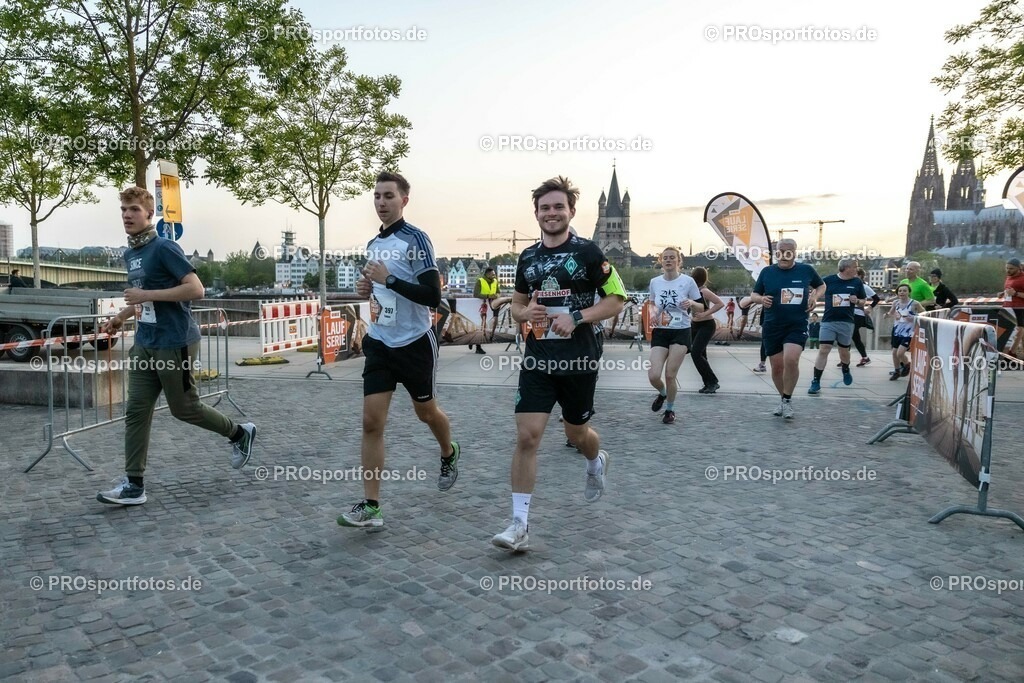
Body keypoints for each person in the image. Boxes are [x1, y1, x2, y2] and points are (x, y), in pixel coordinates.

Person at [96, 187, 256, 506]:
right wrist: (121, 317)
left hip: (174, 341)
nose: (127, 215)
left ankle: (239, 433)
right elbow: (144, 296)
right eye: (123, 210)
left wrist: (145, 296)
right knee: (136, 411)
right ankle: (134, 485)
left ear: (149, 214)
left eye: (133, 209)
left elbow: (196, 289)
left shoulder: (164, 247)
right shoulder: (130, 254)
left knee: (184, 409)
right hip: (145, 342)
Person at [491, 176, 626, 552]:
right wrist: (525, 313)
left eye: (558, 207)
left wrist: (578, 317)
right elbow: (517, 305)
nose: (551, 213)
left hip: (579, 358)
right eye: (545, 208)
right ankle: (519, 525)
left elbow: (617, 299)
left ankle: (595, 460)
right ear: (536, 213)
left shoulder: (588, 252)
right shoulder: (528, 257)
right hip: (538, 358)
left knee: (577, 433)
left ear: (571, 211)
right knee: (527, 437)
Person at [338, 171, 459, 531]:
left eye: (388, 196)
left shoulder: (416, 240)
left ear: (404, 200)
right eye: (377, 196)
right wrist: (366, 289)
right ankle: (372, 506)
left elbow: (432, 297)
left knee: (426, 413)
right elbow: (378, 290)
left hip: (415, 343)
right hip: (380, 343)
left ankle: (449, 451)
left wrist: (388, 279)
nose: (381, 202)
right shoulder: (373, 244)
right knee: (371, 422)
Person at [750, 239, 825, 419]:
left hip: (796, 324)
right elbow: (754, 294)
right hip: (773, 325)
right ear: (776, 252)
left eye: (788, 251)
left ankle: (787, 399)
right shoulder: (767, 272)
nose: (784, 254)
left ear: (794, 253)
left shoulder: (806, 270)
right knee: (777, 367)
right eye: (780, 251)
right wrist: (761, 299)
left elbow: (821, 285)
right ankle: (784, 399)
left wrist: (814, 297)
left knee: (791, 359)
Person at [646, 247, 703, 423]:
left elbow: (701, 306)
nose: (668, 260)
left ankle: (669, 410)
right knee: (653, 375)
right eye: (665, 258)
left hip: (681, 331)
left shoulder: (688, 281)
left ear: (679, 261)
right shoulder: (655, 282)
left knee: (670, 375)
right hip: (661, 331)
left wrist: (691, 302)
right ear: (661, 261)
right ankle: (663, 393)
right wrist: (653, 314)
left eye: (672, 257)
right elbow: (652, 303)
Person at [808, 259, 865, 395]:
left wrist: (857, 301)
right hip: (828, 321)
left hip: (846, 322)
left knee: (844, 351)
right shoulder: (828, 280)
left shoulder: (857, 282)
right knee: (824, 349)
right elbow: (816, 290)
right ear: (846, 268)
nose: (857, 269)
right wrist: (813, 299)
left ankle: (846, 368)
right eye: (855, 267)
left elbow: (863, 301)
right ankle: (816, 381)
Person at [690, 266, 723, 394]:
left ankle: (713, 381)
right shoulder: (692, 290)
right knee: (701, 355)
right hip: (695, 325)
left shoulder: (704, 291)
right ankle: (708, 383)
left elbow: (720, 303)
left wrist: (705, 313)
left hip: (706, 325)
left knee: (696, 353)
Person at [888, 283, 924, 380]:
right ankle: (897, 371)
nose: (902, 292)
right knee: (894, 352)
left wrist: (914, 317)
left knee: (900, 353)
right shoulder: (895, 303)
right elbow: (891, 313)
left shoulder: (915, 303)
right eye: (900, 291)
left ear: (909, 292)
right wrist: (887, 315)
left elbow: (924, 314)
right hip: (897, 330)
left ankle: (907, 364)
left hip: (909, 332)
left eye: (904, 291)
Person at [848, 267, 880, 366]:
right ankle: (865, 358)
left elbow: (876, 298)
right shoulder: (850, 285)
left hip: (858, 314)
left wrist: (869, 308)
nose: (852, 276)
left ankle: (845, 359)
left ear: (860, 276)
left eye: (855, 274)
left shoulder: (864, 287)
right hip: (850, 313)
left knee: (848, 334)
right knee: (855, 337)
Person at [469, 267, 499, 354]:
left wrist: (497, 295)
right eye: (493, 274)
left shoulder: (495, 281)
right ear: (488, 274)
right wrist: (488, 296)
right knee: (481, 324)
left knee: (488, 322)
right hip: (481, 305)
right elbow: (476, 294)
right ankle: (478, 346)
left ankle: (475, 342)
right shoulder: (480, 281)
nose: (494, 276)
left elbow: (498, 292)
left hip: (491, 305)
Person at [1002, 258, 1024, 359]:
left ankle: (1012, 352)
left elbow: (1014, 292)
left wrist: (1015, 294)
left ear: (1019, 268)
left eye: (1011, 268)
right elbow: (1009, 290)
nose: (1008, 270)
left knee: (1019, 329)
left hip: (1020, 308)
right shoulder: (1009, 277)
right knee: (1011, 330)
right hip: (1007, 307)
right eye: (1007, 268)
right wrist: (1003, 293)